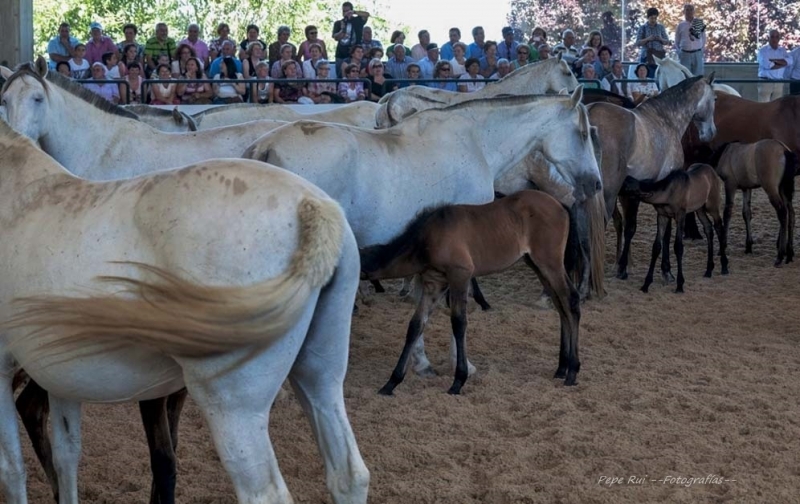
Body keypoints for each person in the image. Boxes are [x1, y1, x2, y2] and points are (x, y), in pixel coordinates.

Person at [332, 2, 370, 71]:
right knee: (341, 76)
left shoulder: (358, 20)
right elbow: (336, 38)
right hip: (341, 54)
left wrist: (354, 12)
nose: (346, 13)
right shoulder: (338, 23)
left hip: (355, 54)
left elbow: (367, 14)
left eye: (347, 11)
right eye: (344, 11)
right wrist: (342, 29)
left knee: (355, 74)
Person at [757, 29, 792, 102]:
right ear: (768, 38)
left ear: (779, 39)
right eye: (772, 37)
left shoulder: (782, 50)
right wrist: (782, 63)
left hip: (779, 82)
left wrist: (774, 61)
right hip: (765, 82)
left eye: (776, 37)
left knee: (777, 108)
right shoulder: (763, 51)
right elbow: (768, 65)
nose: (774, 39)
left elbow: (790, 61)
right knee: (764, 107)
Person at [636, 7, 670, 78]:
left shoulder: (661, 27)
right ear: (648, 17)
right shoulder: (643, 28)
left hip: (659, 57)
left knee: (660, 77)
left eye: (655, 18)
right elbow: (638, 43)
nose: (653, 20)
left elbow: (667, 41)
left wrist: (660, 39)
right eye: (651, 18)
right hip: (646, 57)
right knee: (648, 76)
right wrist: (648, 39)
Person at [674, 4, 706, 76]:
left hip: (697, 53)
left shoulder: (699, 23)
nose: (689, 12)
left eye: (691, 10)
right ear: (684, 11)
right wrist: (679, 52)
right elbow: (677, 40)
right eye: (687, 10)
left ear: (694, 11)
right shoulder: (680, 25)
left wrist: (702, 50)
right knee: (685, 76)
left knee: (698, 76)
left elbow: (704, 38)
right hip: (685, 54)